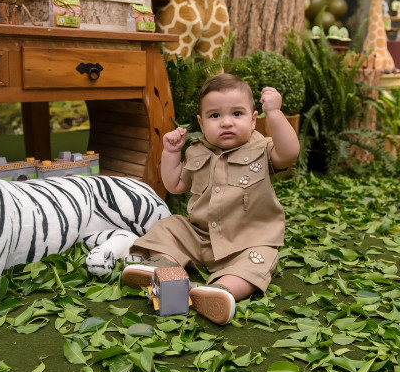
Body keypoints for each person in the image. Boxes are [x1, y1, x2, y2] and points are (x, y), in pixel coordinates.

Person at [122, 73, 300, 324]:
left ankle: (221, 290)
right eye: (215, 116)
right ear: (202, 123)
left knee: (258, 260)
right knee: (170, 226)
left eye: (236, 114)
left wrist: (275, 113)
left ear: (253, 120)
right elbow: (175, 185)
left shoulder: (264, 150)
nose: (226, 122)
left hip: (248, 241)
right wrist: (171, 152)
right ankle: (164, 267)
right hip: (200, 237)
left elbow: (290, 152)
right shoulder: (197, 150)